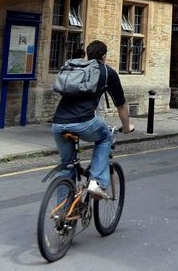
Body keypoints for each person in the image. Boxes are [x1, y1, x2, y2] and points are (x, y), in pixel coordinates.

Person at [52, 40, 134, 199]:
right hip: (84, 122)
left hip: (58, 123)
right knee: (105, 137)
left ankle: (62, 215)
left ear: (88, 55)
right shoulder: (106, 72)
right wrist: (126, 126)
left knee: (66, 166)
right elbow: (121, 105)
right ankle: (96, 182)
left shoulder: (77, 68)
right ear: (104, 56)